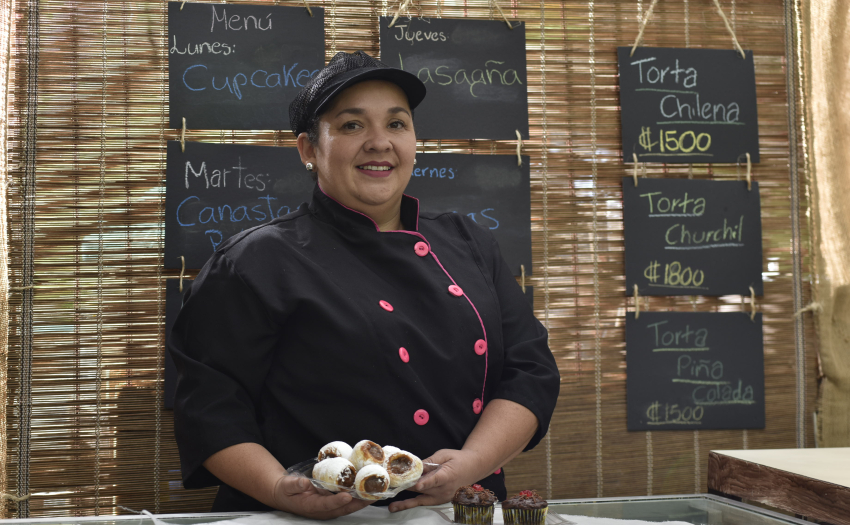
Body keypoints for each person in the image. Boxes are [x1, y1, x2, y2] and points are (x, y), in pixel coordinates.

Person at [168, 51, 560, 519]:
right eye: (352, 126)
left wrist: (474, 463)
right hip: (310, 518)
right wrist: (277, 487)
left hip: (461, 508)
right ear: (308, 150)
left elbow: (529, 370)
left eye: (397, 124)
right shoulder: (256, 259)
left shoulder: (468, 243)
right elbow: (210, 406)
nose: (380, 143)